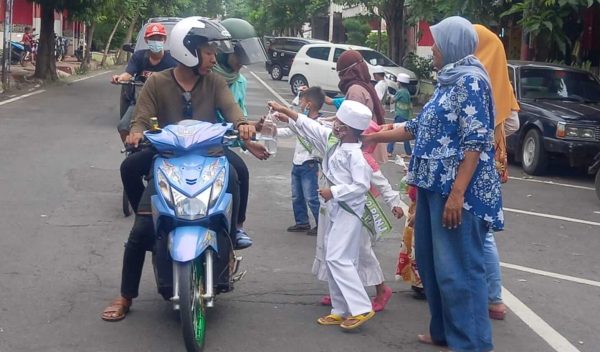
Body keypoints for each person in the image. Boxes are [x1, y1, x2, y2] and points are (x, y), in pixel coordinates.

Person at [101, 17, 267, 322]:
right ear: (188, 50)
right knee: (138, 224)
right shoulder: (158, 81)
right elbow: (140, 118)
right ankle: (125, 295)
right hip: (167, 156)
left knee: (238, 172)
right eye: (207, 52)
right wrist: (137, 132)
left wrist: (242, 124)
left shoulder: (215, 81)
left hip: (209, 155)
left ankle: (235, 230)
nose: (213, 58)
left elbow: (232, 110)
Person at [364, 16, 502, 351]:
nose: (432, 50)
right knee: (431, 263)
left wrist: (457, 193)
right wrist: (373, 133)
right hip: (430, 186)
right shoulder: (448, 80)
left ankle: (471, 343)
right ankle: (443, 332)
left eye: (436, 43)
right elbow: (417, 127)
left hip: (457, 192)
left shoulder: (471, 81)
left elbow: (476, 142)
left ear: (453, 43)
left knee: (460, 270)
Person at [269, 99, 376, 330]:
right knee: (334, 257)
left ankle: (361, 307)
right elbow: (309, 125)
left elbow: (361, 186)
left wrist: (334, 191)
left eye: (338, 121)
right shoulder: (335, 143)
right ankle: (340, 309)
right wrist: (287, 113)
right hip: (336, 208)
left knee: (338, 258)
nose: (333, 123)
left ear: (345, 128)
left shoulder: (355, 155)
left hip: (349, 211)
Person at [317, 119, 405, 312]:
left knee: (363, 253)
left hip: (358, 213)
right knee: (336, 251)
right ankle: (340, 294)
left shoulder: (363, 158)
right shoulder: (341, 150)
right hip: (338, 208)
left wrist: (394, 203)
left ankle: (381, 289)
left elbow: (382, 184)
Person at [474, 24, 521, 321]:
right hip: (489, 167)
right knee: (484, 232)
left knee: (477, 233)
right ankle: (493, 299)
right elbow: (513, 124)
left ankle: (490, 298)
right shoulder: (500, 81)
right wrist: (496, 131)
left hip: (470, 169)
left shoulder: (466, 79)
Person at [213, 17, 268, 239]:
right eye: (239, 57)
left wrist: (250, 140)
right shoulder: (204, 76)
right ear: (223, 51)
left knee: (240, 174)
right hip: (199, 141)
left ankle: (237, 227)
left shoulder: (239, 81)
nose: (241, 63)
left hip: (221, 144)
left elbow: (239, 118)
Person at [111, 23, 178, 143]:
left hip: (165, 104)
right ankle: (131, 150)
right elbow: (128, 74)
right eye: (152, 38)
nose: (156, 41)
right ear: (147, 40)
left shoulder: (172, 60)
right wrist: (119, 78)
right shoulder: (139, 57)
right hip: (140, 103)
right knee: (123, 126)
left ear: (164, 39)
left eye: (159, 38)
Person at [275, 87, 324, 236]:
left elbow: (299, 128)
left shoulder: (319, 124)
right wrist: (270, 131)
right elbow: (289, 131)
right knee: (297, 195)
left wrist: (290, 119)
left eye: (302, 102)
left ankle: (321, 224)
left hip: (309, 163)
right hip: (297, 162)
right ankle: (302, 222)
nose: (300, 105)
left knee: (311, 197)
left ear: (309, 105)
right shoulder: (301, 121)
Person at [336, 50, 388, 164]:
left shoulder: (355, 90)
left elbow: (351, 124)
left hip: (363, 149)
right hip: (370, 145)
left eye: (340, 73)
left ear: (347, 72)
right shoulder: (366, 85)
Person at [387, 73, 413, 157]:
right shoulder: (407, 92)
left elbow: (392, 101)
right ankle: (408, 152)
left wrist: (390, 96)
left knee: (393, 133)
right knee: (405, 135)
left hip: (399, 115)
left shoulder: (400, 92)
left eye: (397, 82)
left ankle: (389, 151)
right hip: (405, 115)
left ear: (399, 83)